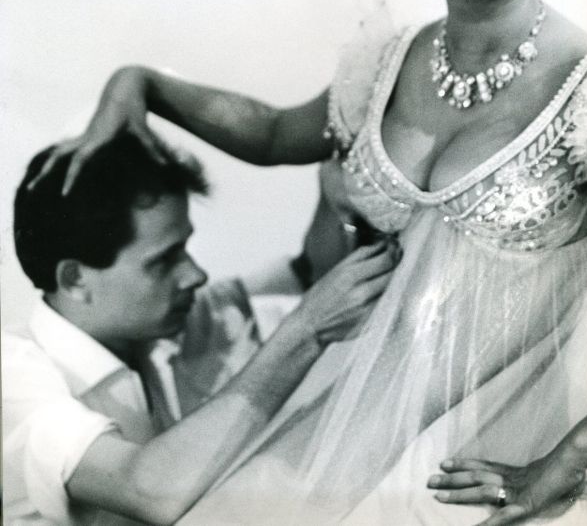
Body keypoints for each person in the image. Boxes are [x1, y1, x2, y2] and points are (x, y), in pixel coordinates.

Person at [30, 0, 587, 524]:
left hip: (476, 466)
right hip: (336, 427)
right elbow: (271, 133)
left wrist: (559, 466)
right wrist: (142, 86)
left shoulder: (586, 92)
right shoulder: (391, 60)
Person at [2, 132, 396, 526]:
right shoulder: (13, 377)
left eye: (185, 248)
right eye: (164, 259)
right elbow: (148, 490)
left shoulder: (166, 324)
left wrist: (335, 190)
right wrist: (306, 331)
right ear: (74, 279)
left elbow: (310, 272)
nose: (195, 274)